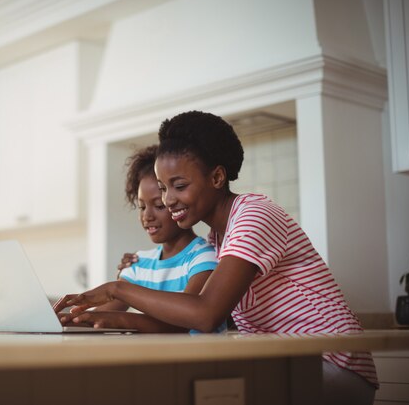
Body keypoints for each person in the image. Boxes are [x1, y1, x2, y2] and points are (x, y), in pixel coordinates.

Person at [54, 111, 377, 404]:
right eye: (164, 188)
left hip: (332, 365)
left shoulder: (254, 214)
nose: (169, 200)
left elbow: (205, 314)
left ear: (218, 178)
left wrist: (118, 289)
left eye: (178, 186)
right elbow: (188, 319)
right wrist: (104, 320)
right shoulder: (218, 238)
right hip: (286, 362)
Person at [58, 144, 222, 333]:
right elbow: (102, 315)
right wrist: (72, 318)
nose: (147, 216)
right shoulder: (139, 263)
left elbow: (186, 321)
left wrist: (119, 318)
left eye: (159, 206)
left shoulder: (204, 256)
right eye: (142, 207)